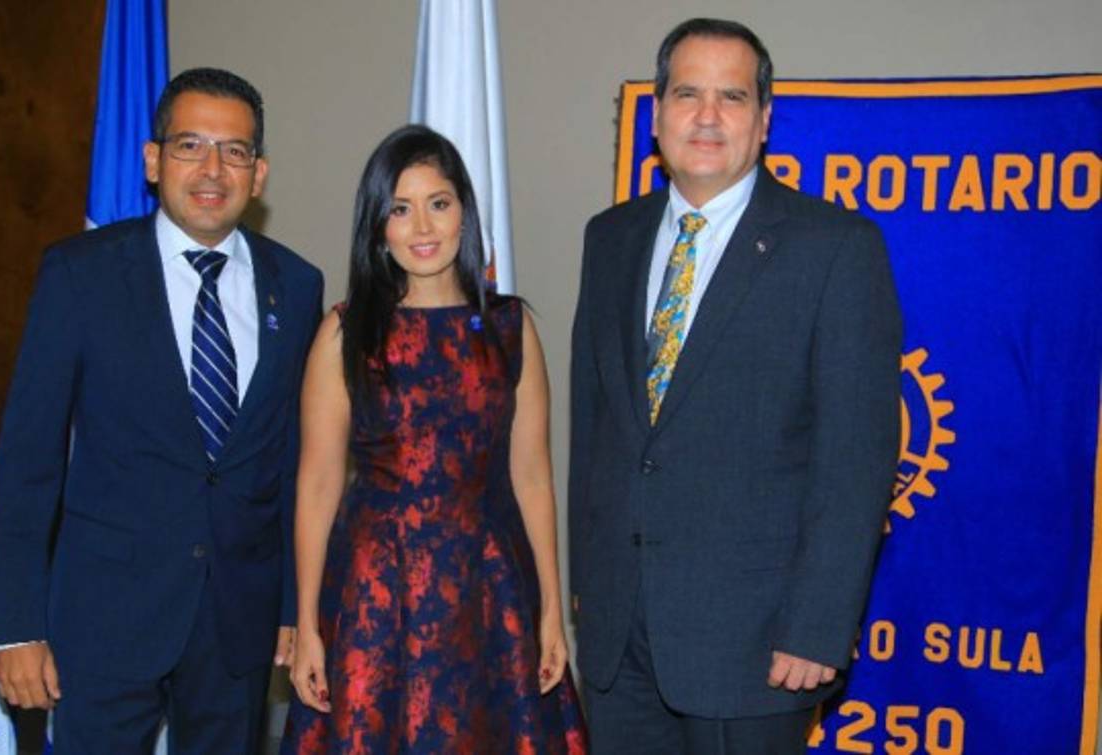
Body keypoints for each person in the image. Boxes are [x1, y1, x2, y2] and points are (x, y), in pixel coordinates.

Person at [568, 18, 902, 754]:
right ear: (658, 115)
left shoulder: (837, 248)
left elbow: (856, 461)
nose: (709, 116)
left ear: (764, 120)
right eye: (688, 94)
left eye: (733, 96)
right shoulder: (610, 239)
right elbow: (595, 431)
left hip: (758, 647)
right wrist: (588, 589)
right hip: (620, 642)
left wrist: (817, 625)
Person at [0, 67, 322, 753]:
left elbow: (289, 461)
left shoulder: (298, 283)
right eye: (190, 144)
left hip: (237, 623)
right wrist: (17, 626)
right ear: (152, 159)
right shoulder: (80, 274)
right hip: (104, 619)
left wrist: (291, 604)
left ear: (258, 173)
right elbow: (29, 462)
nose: (212, 168)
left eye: (234, 151)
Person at [283, 125, 587, 753]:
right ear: (377, 227)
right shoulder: (345, 334)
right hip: (375, 593)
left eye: (438, 203)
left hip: (490, 591)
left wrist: (551, 610)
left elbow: (531, 476)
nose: (422, 226)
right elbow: (316, 484)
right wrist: (309, 624)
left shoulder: (509, 328)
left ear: (464, 215)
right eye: (399, 208)